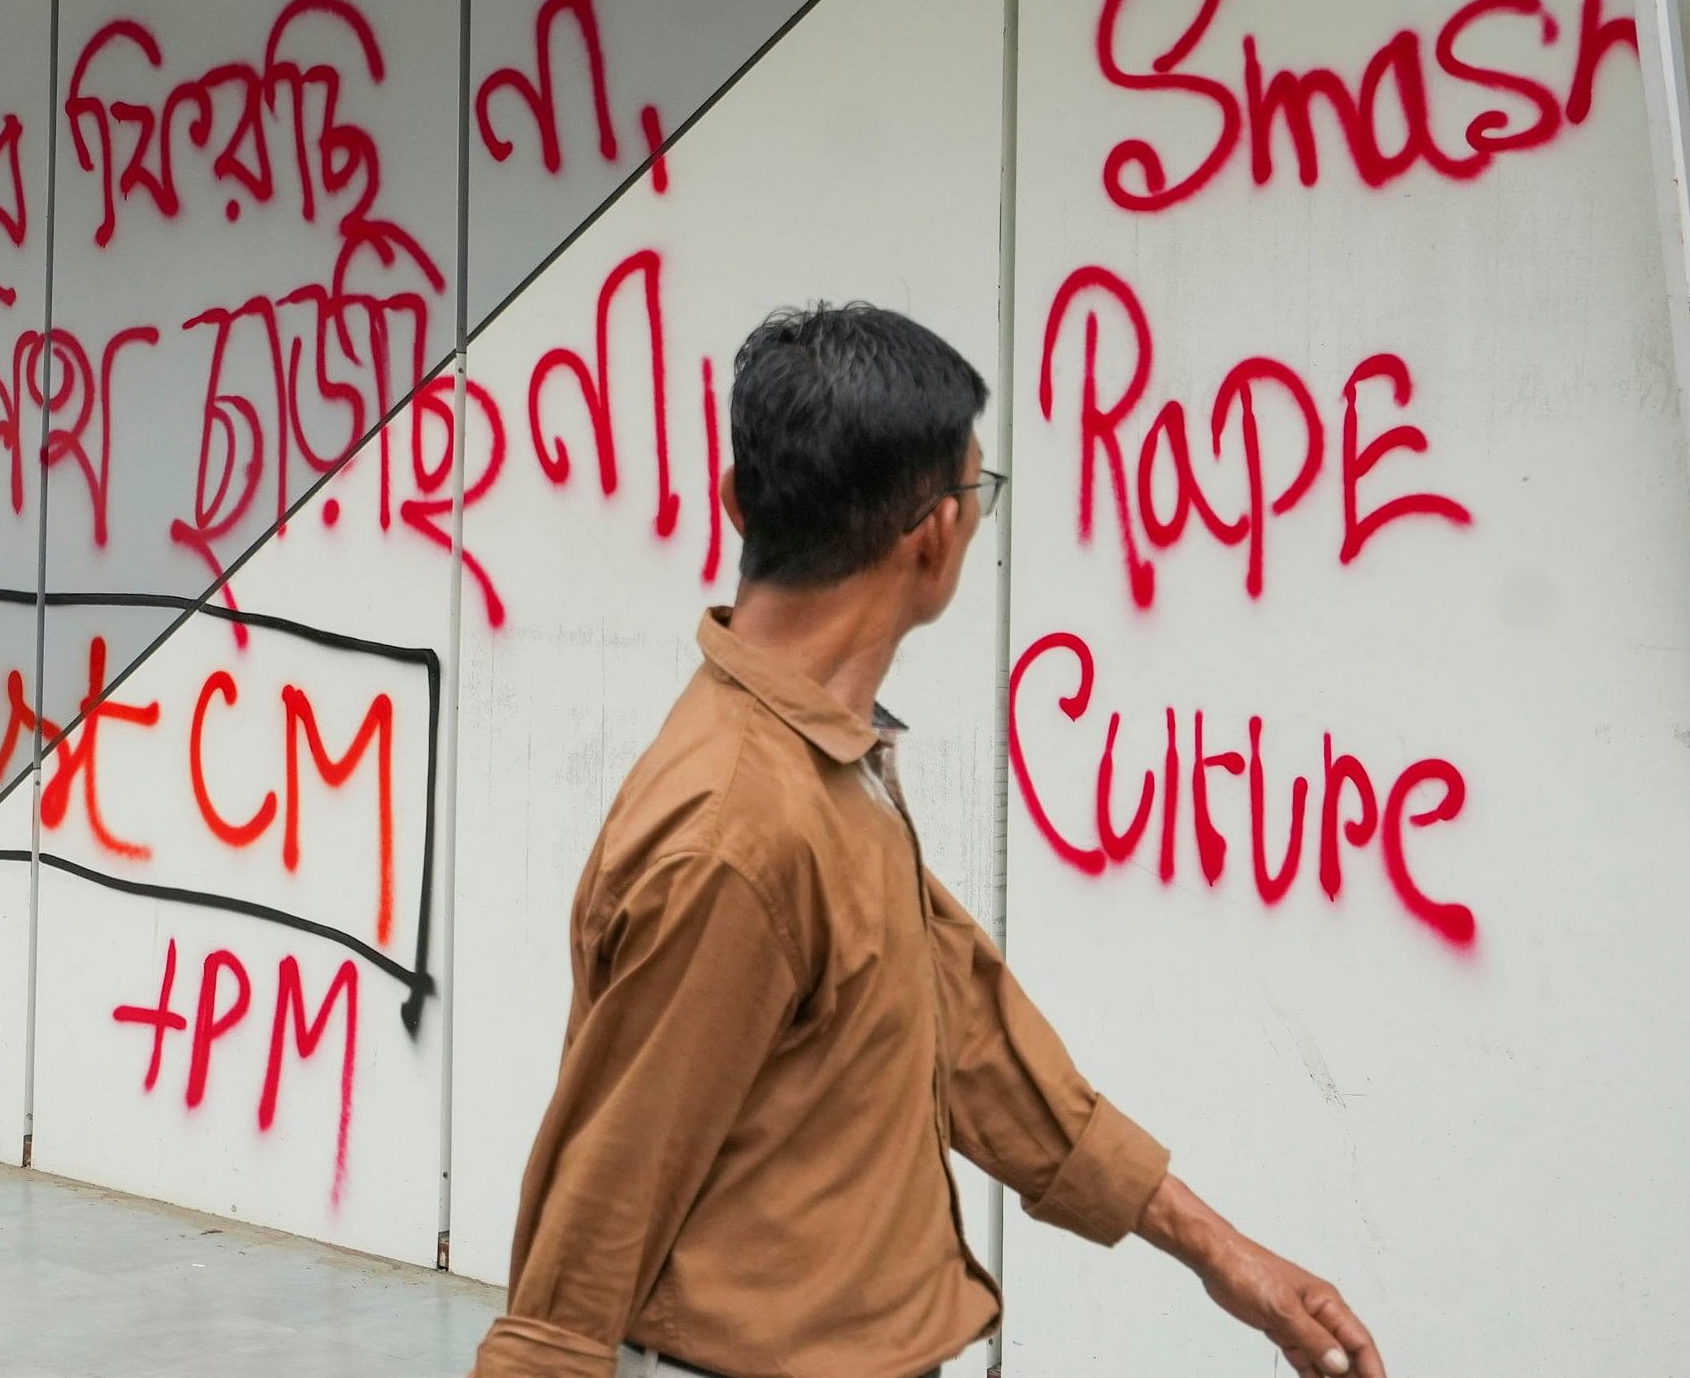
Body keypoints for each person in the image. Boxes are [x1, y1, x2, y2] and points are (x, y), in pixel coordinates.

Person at [474, 304, 1386, 1378]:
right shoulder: (738, 829)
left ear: (734, 502)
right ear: (935, 534)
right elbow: (595, 1219)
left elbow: (971, 1037)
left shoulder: (819, 764)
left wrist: (1219, 1253)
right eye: (976, 490)